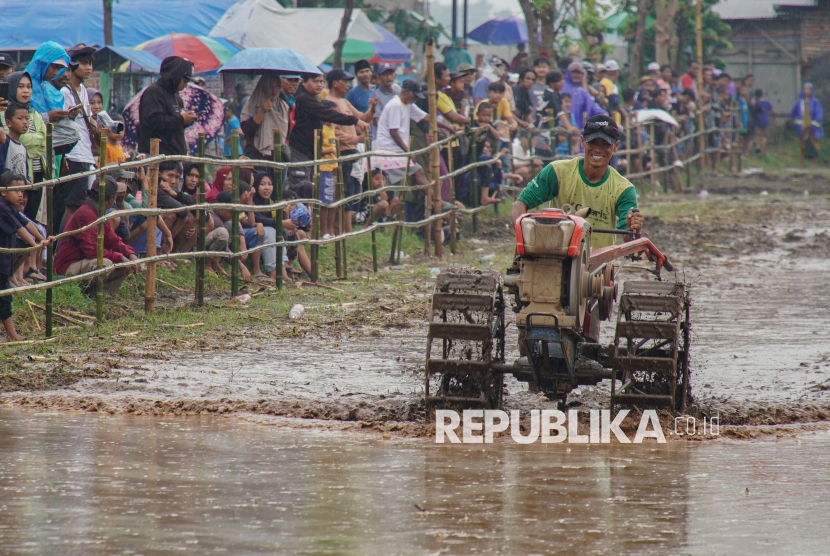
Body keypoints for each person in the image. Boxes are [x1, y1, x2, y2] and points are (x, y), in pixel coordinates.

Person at [511, 115, 642, 250]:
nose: (598, 149)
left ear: (616, 146)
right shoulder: (557, 172)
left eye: (605, 144)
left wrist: (633, 227)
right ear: (582, 142)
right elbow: (520, 204)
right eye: (592, 143)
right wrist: (526, 241)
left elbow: (629, 238)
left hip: (599, 261)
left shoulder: (623, 189)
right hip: (555, 255)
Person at [54, 175, 139, 294]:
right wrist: (120, 257)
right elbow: (92, 251)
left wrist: (130, 254)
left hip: (81, 262)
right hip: (67, 266)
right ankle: (88, 293)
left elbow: (113, 240)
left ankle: (102, 294)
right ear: (111, 198)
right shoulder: (86, 213)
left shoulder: (97, 213)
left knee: (123, 264)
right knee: (105, 263)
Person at [288, 73, 368, 186]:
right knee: (301, 186)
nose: (319, 85)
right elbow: (328, 114)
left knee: (310, 187)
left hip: (310, 151)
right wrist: (355, 121)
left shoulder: (312, 97)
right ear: (304, 82)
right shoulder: (303, 98)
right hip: (299, 149)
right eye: (315, 81)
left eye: (321, 82)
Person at [0, 173, 53, 340]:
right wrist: (36, 244)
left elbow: (27, 224)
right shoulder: (2, 207)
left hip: (4, 261)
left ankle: (11, 333)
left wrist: (42, 239)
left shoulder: (10, 208)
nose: (20, 195)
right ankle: (12, 334)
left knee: (4, 295)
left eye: (22, 191)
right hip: (1, 260)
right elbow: (20, 229)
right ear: (3, 191)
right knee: (4, 297)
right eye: (16, 191)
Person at [324, 69, 376, 233]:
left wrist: (372, 109)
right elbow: (333, 132)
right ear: (335, 83)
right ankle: (342, 230)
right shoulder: (329, 103)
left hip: (352, 152)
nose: (347, 85)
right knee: (342, 192)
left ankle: (345, 229)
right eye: (345, 81)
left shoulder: (345, 102)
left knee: (351, 191)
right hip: (341, 152)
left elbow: (361, 119)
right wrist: (356, 139)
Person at [1, 72, 47, 221]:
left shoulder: (34, 113)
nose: (25, 91)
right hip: (8, 187)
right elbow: (8, 137)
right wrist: (36, 139)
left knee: (27, 217)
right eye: (20, 86)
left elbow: (44, 143)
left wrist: (30, 142)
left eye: (28, 86)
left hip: (32, 176)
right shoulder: (3, 112)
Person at [138, 56, 199, 156]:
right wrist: (181, 119)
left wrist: (187, 119)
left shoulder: (175, 96)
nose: (185, 86)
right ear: (175, 76)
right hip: (158, 155)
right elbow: (153, 121)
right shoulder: (153, 93)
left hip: (174, 154)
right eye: (184, 81)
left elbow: (173, 125)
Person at [240, 72, 291, 161]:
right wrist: (262, 112)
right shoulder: (253, 104)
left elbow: (287, 133)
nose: (274, 90)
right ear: (263, 86)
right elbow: (247, 130)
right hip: (256, 155)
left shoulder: (283, 107)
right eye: (270, 86)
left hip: (278, 155)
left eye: (277, 86)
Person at [562, 62, 607, 132]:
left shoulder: (582, 92)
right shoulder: (562, 87)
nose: (576, 75)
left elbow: (592, 106)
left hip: (579, 130)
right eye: (574, 72)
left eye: (578, 73)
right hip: (563, 128)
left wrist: (604, 115)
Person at [792, 82, 824, 170]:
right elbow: (793, 113)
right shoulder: (799, 103)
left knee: (814, 146)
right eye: (805, 89)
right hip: (802, 128)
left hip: (812, 129)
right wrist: (798, 122)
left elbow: (819, 114)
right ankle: (801, 166)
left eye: (808, 90)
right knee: (802, 147)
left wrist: (813, 125)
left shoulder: (815, 102)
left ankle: (814, 166)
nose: (807, 91)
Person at [370, 63, 401, 137]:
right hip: (382, 137)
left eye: (390, 74)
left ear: (395, 75)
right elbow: (377, 121)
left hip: (398, 134)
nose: (388, 77)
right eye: (384, 75)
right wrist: (393, 133)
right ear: (379, 77)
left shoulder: (397, 90)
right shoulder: (375, 95)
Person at [753, 89, 772, 154]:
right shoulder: (767, 102)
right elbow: (771, 110)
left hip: (757, 120)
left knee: (757, 134)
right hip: (765, 120)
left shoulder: (756, 102)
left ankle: (758, 146)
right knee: (764, 135)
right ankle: (762, 149)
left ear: (756, 95)